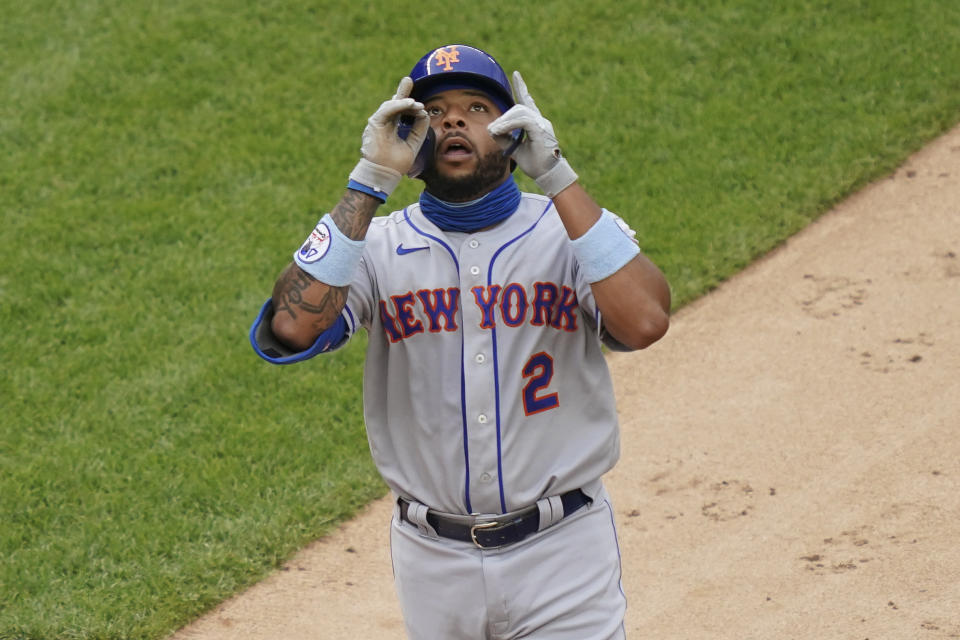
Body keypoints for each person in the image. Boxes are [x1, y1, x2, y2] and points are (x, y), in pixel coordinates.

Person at [250, 44, 671, 639]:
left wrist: (557, 175)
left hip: (564, 553)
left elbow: (647, 321)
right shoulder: (374, 250)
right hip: (433, 562)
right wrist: (370, 179)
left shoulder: (569, 233)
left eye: (477, 107)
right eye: (433, 112)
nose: (452, 120)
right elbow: (293, 326)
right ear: (414, 141)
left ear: (511, 131)